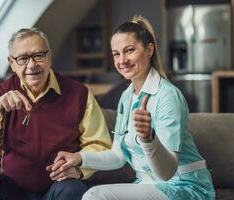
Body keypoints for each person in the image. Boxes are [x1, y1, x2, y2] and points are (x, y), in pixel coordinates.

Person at [49, 16, 215, 200]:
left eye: (129, 50)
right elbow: (118, 156)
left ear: (149, 49)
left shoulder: (167, 96)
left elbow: (167, 173)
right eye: (116, 54)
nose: (122, 60)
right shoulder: (126, 97)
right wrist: (80, 158)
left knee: (95, 196)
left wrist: (148, 139)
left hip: (183, 187)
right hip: (148, 185)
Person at [0, 27, 112, 200]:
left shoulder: (80, 94)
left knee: (73, 190)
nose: (31, 65)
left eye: (38, 55)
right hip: (12, 187)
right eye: (22, 58)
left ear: (49, 57)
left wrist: (79, 168)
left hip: (59, 186)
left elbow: (100, 145)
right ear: (11, 63)